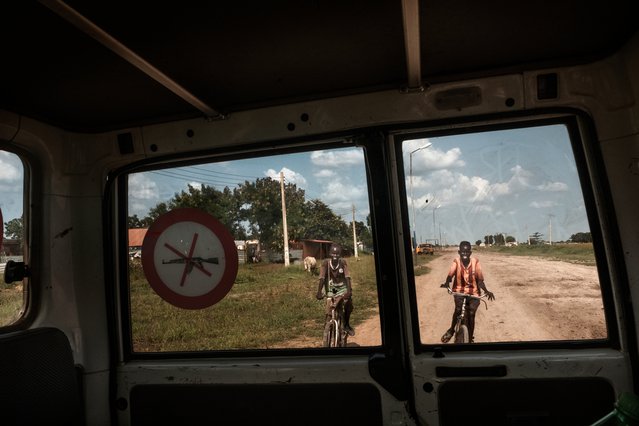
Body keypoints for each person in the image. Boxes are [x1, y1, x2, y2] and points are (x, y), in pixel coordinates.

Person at [440, 241, 495, 343]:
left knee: (471, 313)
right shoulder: (456, 262)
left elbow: (480, 280)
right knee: (458, 310)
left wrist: (486, 291)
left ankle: (469, 339)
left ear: (470, 253)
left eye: (467, 252)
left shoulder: (476, 262)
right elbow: (450, 274)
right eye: (462, 252)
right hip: (459, 291)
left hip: (474, 293)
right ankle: (451, 330)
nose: (464, 254)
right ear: (459, 252)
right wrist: (447, 282)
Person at [316, 244, 355, 336]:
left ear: (340, 255)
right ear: (330, 254)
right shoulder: (325, 263)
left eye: (337, 254)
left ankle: (346, 324)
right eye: (333, 254)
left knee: (348, 305)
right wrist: (319, 292)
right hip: (330, 288)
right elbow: (321, 278)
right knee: (329, 307)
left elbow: (347, 277)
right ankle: (328, 323)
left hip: (342, 288)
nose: (335, 256)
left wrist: (349, 292)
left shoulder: (343, 263)